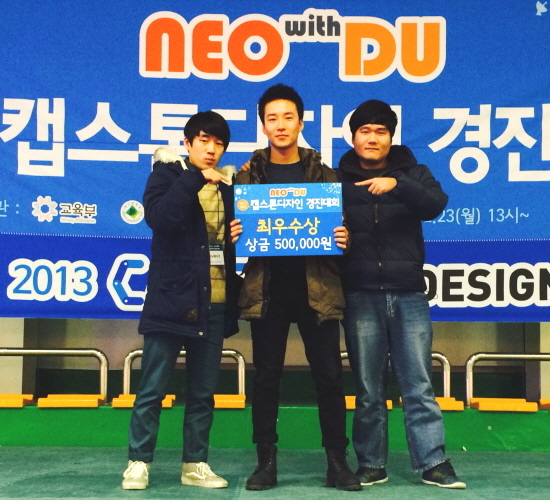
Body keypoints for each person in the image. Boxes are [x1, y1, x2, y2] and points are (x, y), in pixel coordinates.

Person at [230, 83, 361, 492]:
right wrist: (232, 236)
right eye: (272, 118)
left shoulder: (326, 175)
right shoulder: (246, 176)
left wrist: (345, 240)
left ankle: (337, 462)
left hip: (317, 290)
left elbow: (345, 232)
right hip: (267, 291)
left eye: (288, 117)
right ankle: (265, 463)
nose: (281, 125)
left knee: (329, 378)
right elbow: (231, 236)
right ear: (263, 126)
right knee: (266, 378)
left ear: (301, 123)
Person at [337, 99, 466, 489]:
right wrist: (339, 240)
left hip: (409, 293)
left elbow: (436, 204)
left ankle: (433, 463)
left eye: (381, 131)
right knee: (367, 388)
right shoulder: (335, 180)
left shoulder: (414, 173)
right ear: (353, 137)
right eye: (365, 131)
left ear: (391, 137)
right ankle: (371, 463)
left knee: (418, 384)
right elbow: (317, 226)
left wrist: (399, 184)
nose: (372, 138)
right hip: (359, 293)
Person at [121, 111, 240, 490]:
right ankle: (138, 462)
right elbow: (162, 219)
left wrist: (238, 234)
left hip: (214, 301)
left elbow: (226, 242)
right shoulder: (167, 175)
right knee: (152, 389)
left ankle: (195, 464)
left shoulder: (228, 186)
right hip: (171, 299)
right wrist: (194, 177)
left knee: (203, 393)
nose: (211, 149)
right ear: (187, 143)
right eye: (204, 141)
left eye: (218, 143)